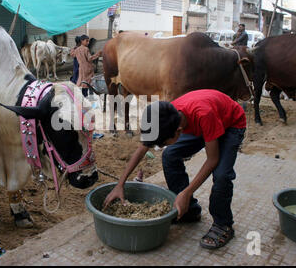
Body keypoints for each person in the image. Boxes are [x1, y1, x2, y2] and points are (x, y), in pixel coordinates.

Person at [103, 89, 246, 249]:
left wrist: (186, 192)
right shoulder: (166, 115)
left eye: (163, 143)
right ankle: (189, 211)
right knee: (169, 155)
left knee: (221, 174)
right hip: (204, 122)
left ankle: (223, 224)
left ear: (179, 132)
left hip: (230, 124)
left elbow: (212, 160)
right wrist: (120, 184)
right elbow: (143, 147)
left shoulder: (204, 115)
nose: (161, 146)